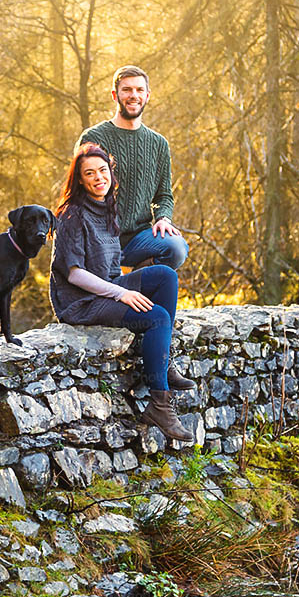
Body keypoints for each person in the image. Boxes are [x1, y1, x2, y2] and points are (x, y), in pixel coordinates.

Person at [50, 142, 195, 442]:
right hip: (83, 302)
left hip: (110, 285)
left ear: (111, 174)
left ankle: (162, 361)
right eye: (89, 173)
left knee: (165, 275)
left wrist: (122, 287)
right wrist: (120, 294)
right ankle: (160, 405)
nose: (98, 177)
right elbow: (75, 274)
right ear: (79, 179)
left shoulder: (107, 208)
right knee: (156, 318)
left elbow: (113, 267)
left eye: (102, 170)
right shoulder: (71, 216)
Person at [77, 65, 188, 270]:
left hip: (139, 238)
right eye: (126, 90)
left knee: (176, 247)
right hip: (99, 235)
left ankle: (136, 278)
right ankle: (116, 284)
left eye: (139, 90)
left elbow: (163, 195)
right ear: (115, 95)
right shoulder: (93, 138)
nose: (133, 95)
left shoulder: (158, 144)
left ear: (147, 96)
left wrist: (163, 218)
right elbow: (78, 191)